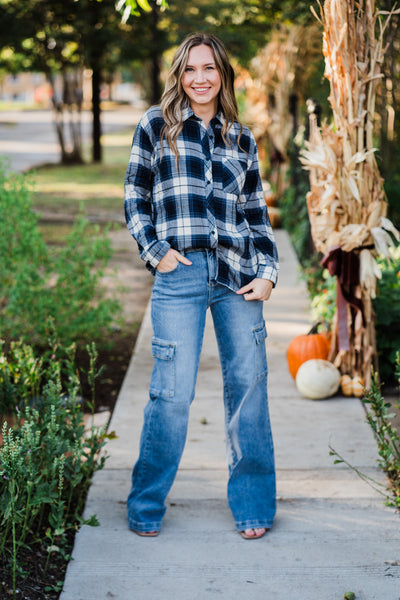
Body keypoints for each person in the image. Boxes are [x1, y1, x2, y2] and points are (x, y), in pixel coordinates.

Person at [124, 32, 279, 540]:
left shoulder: (241, 137)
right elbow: (135, 197)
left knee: (249, 390)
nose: (200, 78)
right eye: (191, 69)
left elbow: (257, 214)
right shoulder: (156, 125)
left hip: (237, 277)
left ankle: (253, 504)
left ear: (223, 74)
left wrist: (268, 272)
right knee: (171, 394)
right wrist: (156, 253)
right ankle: (145, 502)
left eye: (210, 68)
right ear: (179, 74)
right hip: (180, 273)